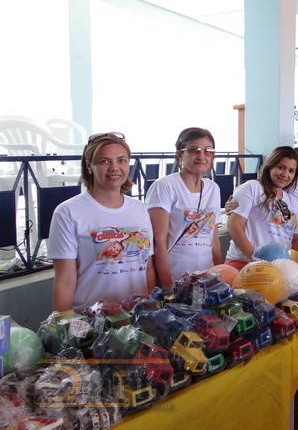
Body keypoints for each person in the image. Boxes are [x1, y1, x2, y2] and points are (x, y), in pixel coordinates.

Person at [49, 132, 154, 312]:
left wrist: (152, 310)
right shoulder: (68, 212)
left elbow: (148, 267)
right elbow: (65, 281)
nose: (114, 168)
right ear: (89, 165)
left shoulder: (140, 209)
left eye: (121, 160)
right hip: (91, 319)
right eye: (104, 161)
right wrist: (64, 324)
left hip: (137, 316)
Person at [145, 127, 222, 287]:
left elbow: (214, 240)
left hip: (206, 279)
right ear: (180, 154)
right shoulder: (165, 186)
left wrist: (219, 279)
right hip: (175, 278)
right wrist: (168, 288)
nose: (202, 156)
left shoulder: (213, 188)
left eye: (208, 151)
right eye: (194, 150)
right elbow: (158, 242)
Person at [225, 146, 298, 269]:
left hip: (277, 269)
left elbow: (297, 238)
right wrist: (255, 258)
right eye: (281, 167)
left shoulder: (293, 202)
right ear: (270, 166)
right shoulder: (252, 187)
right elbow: (234, 225)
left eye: (291, 171)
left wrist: (290, 266)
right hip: (244, 264)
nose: (285, 174)